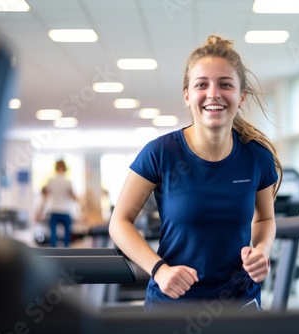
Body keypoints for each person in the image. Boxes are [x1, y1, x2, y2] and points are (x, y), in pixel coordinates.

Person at [109, 35, 283, 312]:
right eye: (202, 84)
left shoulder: (256, 157)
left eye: (225, 84)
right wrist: (159, 269)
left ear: (241, 97)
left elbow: (265, 218)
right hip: (173, 302)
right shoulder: (160, 153)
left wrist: (262, 250)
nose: (213, 93)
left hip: (239, 303)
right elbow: (119, 222)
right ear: (187, 95)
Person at [42, 159, 77, 247]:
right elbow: (73, 197)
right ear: (65, 168)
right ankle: (66, 253)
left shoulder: (51, 181)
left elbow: (45, 197)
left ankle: (53, 253)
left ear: (56, 168)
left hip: (54, 211)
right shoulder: (68, 182)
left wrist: (40, 211)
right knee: (67, 235)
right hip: (65, 211)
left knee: (53, 234)